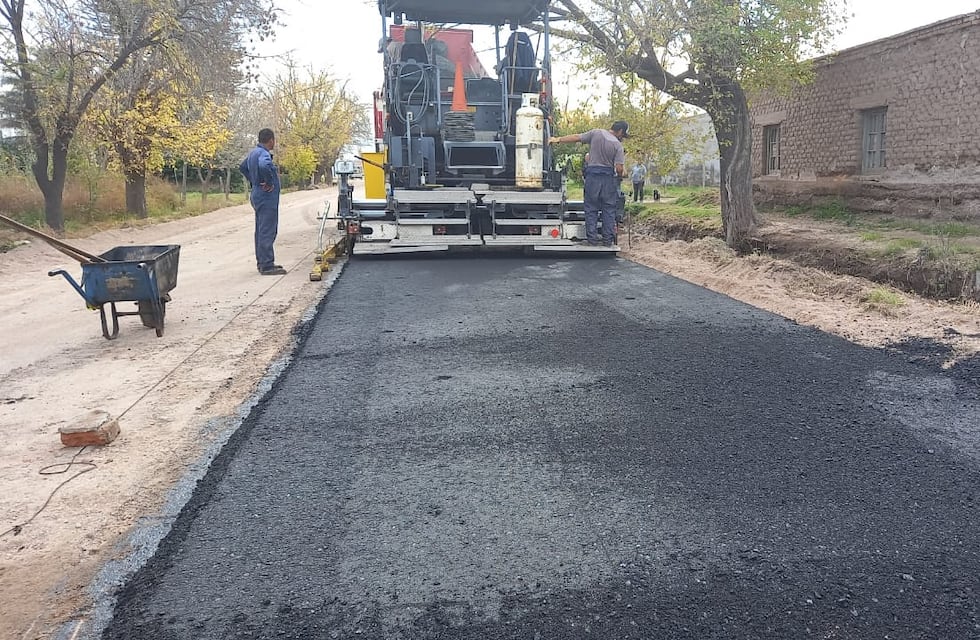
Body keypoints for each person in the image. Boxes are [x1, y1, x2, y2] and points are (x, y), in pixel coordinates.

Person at [549, 120, 629, 246]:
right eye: (622, 135)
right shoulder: (618, 146)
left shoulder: (596, 133)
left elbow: (576, 137)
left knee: (591, 208)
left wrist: (557, 139)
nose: (622, 138)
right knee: (608, 209)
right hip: (608, 178)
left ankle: (592, 240)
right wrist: (620, 176)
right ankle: (608, 241)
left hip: (592, 176)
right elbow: (619, 168)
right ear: (620, 131)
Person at [239, 128, 285, 275]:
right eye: (274, 140)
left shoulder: (253, 153)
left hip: (257, 195)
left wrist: (254, 181)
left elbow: (242, 167)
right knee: (267, 230)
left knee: (260, 230)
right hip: (266, 198)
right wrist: (268, 182)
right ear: (271, 140)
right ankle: (267, 265)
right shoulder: (264, 154)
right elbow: (264, 165)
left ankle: (263, 262)